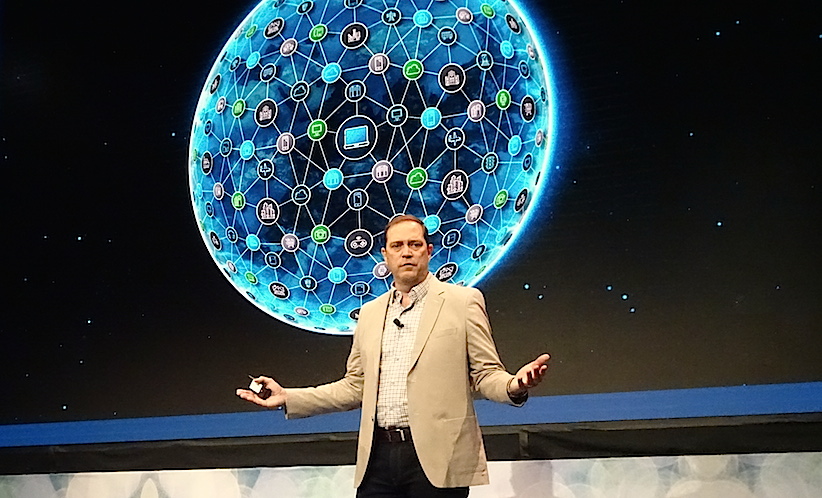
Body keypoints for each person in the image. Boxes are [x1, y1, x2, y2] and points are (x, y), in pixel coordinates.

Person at [237, 214, 550, 497]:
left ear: (429, 251)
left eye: (415, 244)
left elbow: (485, 374)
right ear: (384, 255)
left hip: (438, 457)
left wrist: (514, 385)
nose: (407, 252)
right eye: (397, 246)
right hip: (378, 459)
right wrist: (289, 397)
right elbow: (355, 386)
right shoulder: (370, 313)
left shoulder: (463, 302)